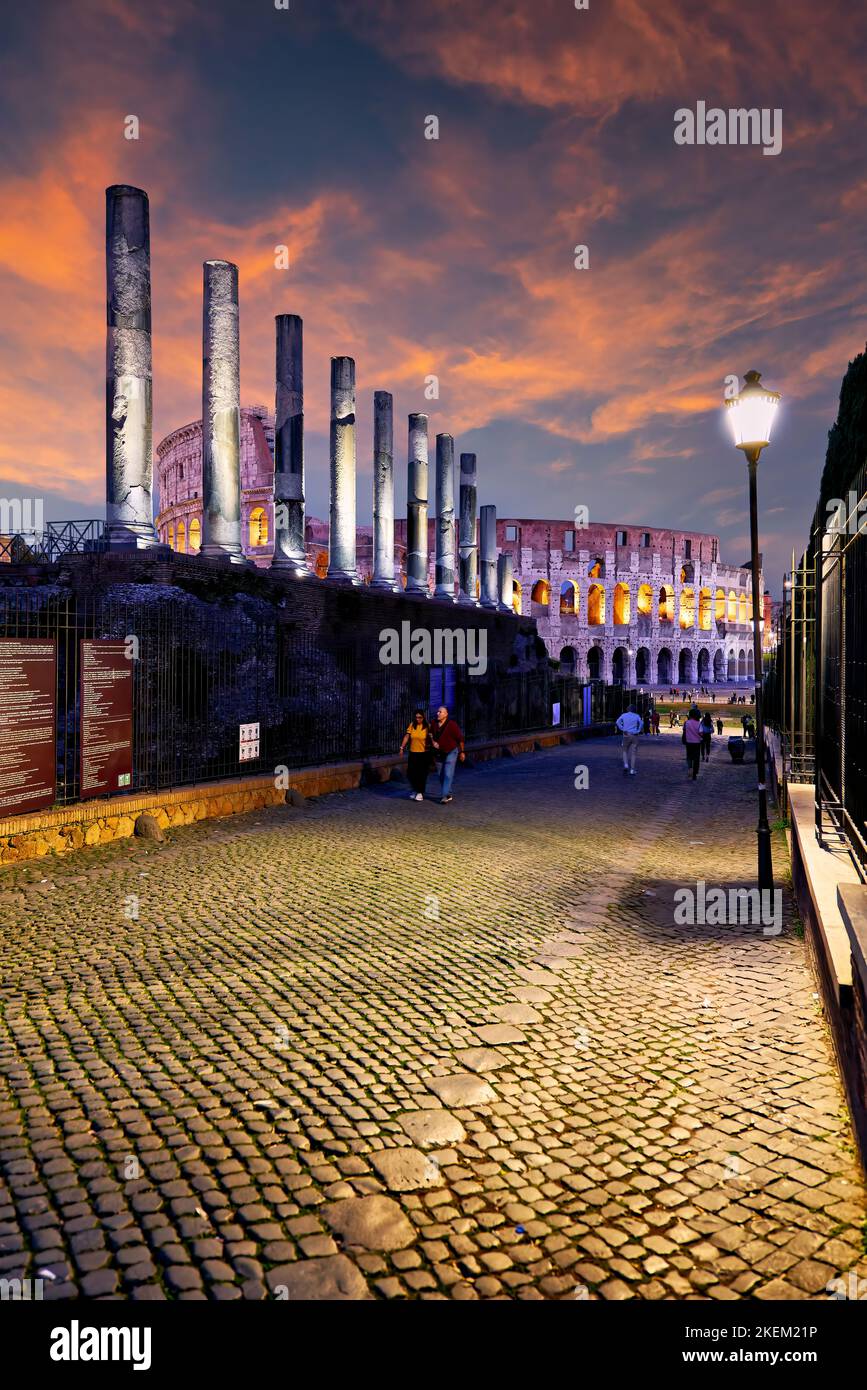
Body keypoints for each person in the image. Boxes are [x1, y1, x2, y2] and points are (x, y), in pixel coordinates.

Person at [431, 705, 465, 804]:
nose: (438, 713)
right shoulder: (434, 723)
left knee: (447, 774)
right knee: (441, 775)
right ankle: (448, 792)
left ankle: (444, 796)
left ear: (446, 714)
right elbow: (430, 734)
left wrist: (462, 752)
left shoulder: (452, 725)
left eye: (440, 712)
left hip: (451, 751)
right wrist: (433, 742)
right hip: (438, 753)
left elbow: (460, 739)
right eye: (438, 711)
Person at [400, 710, 433, 801]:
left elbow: (432, 738)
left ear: (423, 717)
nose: (418, 719)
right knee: (411, 773)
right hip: (413, 752)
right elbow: (407, 736)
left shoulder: (427, 726)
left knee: (421, 773)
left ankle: (420, 792)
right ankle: (415, 789)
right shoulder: (412, 725)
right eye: (416, 717)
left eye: (420, 717)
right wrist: (402, 747)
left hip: (424, 753)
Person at [615, 703, 643, 776]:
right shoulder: (637, 716)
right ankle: (632, 770)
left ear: (628, 709)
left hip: (626, 735)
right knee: (633, 753)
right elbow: (641, 723)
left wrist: (622, 728)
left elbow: (617, 722)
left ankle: (626, 765)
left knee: (625, 751)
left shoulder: (624, 715)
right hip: (634, 735)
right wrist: (638, 730)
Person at [683, 706, 703, 780]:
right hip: (697, 743)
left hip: (689, 742)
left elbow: (684, 731)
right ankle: (695, 773)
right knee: (696, 758)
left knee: (689, 757)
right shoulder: (699, 723)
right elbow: (701, 733)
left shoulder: (686, 723)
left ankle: (690, 768)